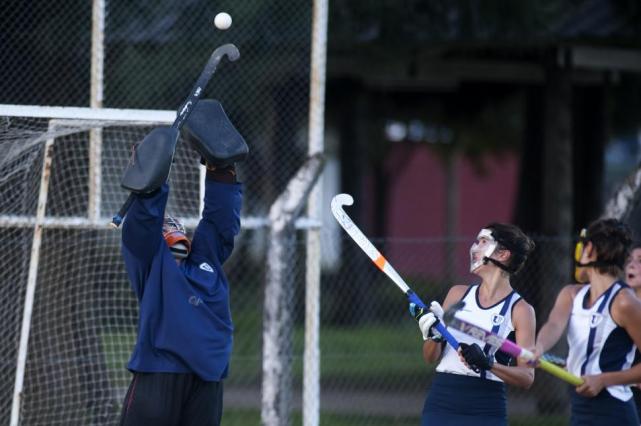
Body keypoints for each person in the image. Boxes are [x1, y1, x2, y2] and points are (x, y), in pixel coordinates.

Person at [118, 161, 242, 426]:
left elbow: (220, 223)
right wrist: (152, 179)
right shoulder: (153, 266)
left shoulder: (204, 262)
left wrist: (222, 173)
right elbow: (142, 223)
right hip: (164, 375)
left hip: (206, 380)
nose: (177, 251)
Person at [411, 223, 536, 426]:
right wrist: (432, 335)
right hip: (442, 401)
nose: (473, 247)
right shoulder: (457, 294)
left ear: (503, 254)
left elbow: (527, 377)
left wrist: (488, 363)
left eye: (483, 242)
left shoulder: (521, 310)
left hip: (485, 407)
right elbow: (429, 357)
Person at [533, 219, 641, 425]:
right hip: (581, 408)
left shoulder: (624, 302)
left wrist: (603, 380)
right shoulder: (571, 294)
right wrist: (538, 346)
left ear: (590, 249)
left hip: (614, 411)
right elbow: (554, 325)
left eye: (583, 246)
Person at [625, 243, 641, 421]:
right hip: (622, 394)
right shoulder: (618, 306)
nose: (631, 264)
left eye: (640, 261)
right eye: (629, 260)